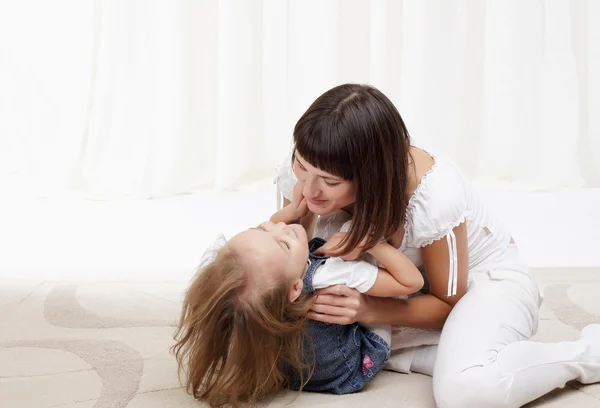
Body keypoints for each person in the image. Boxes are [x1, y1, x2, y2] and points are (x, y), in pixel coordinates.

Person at [274, 83, 600, 408]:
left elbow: (447, 303)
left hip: (477, 287)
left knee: (468, 393)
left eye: (330, 182)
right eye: (301, 166)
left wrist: (367, 309)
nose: (310, 189)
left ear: (372, 177)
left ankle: (586, 354)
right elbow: (292, 266)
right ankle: (445, 353)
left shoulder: (435, 197)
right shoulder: (308, 170)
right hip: (399, 295)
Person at [171, 195, 431, 407]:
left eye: (263, 229)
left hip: (295, 371)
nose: (280, 226)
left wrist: (280, 221)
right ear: (296, 288)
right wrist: (372, 244)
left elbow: (274, 249)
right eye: (283, 244)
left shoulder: (259, 303)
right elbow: (411, 282)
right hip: (354, 364)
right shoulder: (334, 274)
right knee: (351, 232)